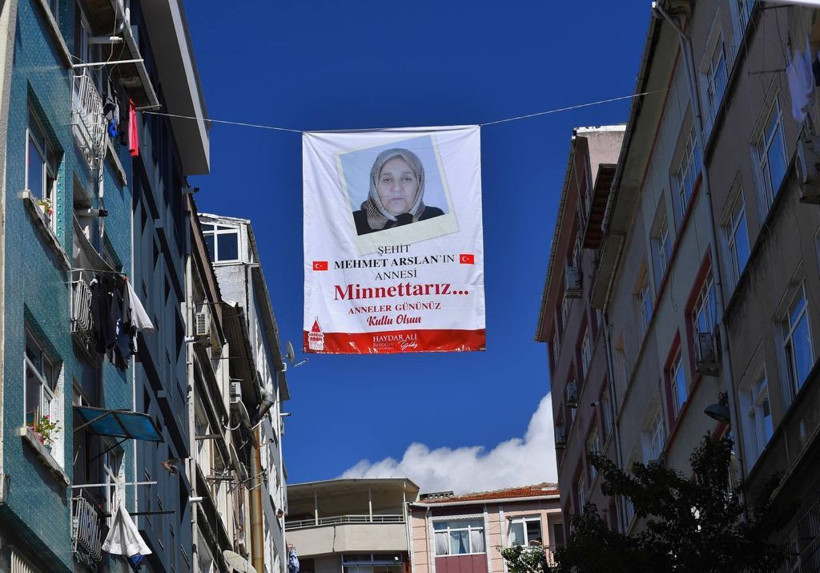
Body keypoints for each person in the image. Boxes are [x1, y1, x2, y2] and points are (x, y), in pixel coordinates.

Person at [352, 148, 444, 235]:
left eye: (406, 179)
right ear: (375, 185)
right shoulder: (353, 222)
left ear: (419, 184)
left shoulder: (435, 217)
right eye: (387, 180)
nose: (397, 188)